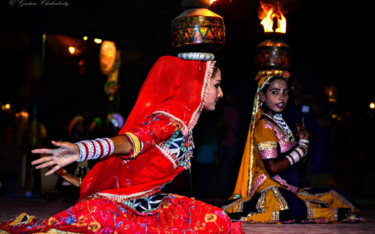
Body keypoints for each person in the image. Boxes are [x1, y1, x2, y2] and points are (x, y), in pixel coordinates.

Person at [0, 55, 237, 233]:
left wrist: (83, 181)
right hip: (120, 208)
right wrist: (81, 149)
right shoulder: (168, 119)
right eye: (216, 84)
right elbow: (129, 144)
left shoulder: (184, 123)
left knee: (219, 220)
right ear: (199, 84)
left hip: (150, 204)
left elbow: (136, 171)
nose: (222, 92)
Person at [223, 69, 363, 223]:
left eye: (285, 92)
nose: (281, 97)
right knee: (293, 208)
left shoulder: (280, 124)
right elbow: (273, 168)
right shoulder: (264, 125)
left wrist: (303, 143)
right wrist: (301, 149)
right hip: (270, 188)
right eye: (275, 92)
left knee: (340, 196)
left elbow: (295, 161)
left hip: (290, 190)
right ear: (262, 96)